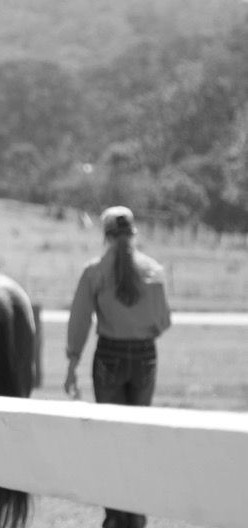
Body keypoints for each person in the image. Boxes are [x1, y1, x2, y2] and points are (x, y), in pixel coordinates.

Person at [64, 205, 172, 528]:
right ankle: (136, 516)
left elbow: (80, 321)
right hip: (145, 358)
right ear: (133, 233)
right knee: (137, 438)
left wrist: (72, 363)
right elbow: (163, 322)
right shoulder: (153, 270)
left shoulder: (94, 271)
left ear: (105, 235)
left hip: (108, 356)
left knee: (111, 439)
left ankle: (114, 517)